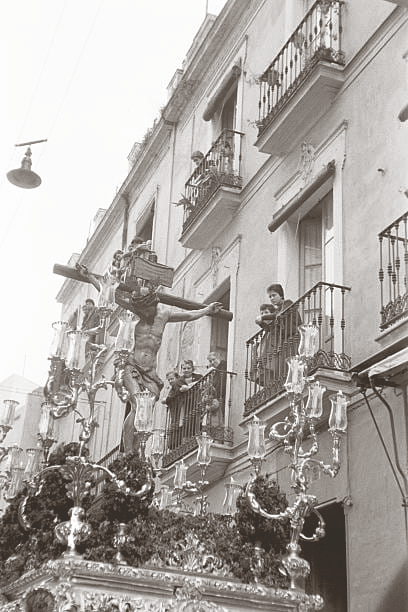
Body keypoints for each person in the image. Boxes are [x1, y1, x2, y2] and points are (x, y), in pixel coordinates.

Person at [115, 284, 222, 453]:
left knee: (147, 408)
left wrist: (207, 309)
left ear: (154, 305)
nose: (145, 314)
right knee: (137, 404)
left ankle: (136, 450)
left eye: (148, 310)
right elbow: (111, 294)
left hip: (150, 372)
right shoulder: (138, 314)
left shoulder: (164, 315)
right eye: (142, 311)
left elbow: (188, 314)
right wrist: (91, 278)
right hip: (132, 366)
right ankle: (128, 450)